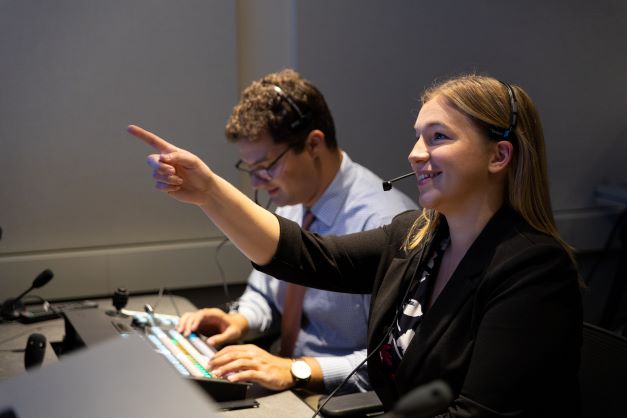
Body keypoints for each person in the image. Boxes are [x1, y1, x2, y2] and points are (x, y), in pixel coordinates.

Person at [128, 74, 583, 417]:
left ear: (498, 156)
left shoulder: (533, 270)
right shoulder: (417, 237)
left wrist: (301, 374)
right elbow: (303, 257)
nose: (415, 153)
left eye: (438, 137)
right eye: (418, 136)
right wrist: (208, 190)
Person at [170, 69, 417, 394]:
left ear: (314, 144)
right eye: (250, 169)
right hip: (283, 374)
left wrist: (297, 370)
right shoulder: (289, 200)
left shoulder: (386, 222)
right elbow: (267, 297)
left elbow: (392, 360)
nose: (257, 183)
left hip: (337, 395)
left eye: (267, 166)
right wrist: (240, 321)